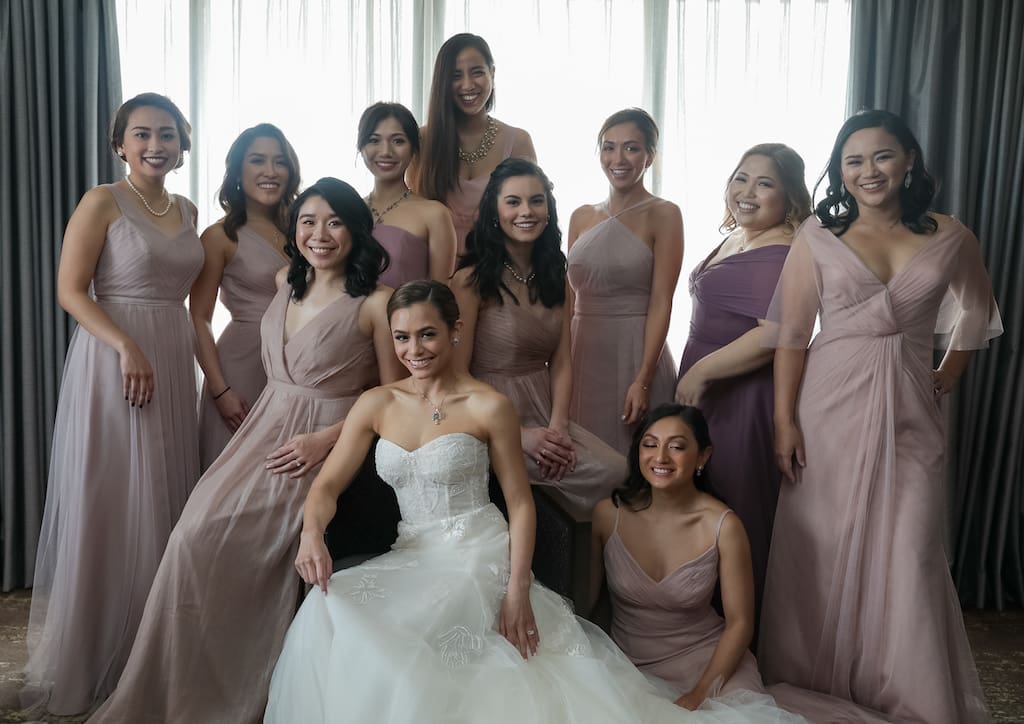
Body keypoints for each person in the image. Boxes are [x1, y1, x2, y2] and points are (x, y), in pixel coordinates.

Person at [264, 281, 805, 724]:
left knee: (436, 648)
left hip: (479, 552)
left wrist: (517, 586)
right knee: (330, 608)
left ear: (455, 332)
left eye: (428, 334)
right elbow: (327, 487)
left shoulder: (487, 405)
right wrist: (312, 532)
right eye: (402, 337)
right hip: (413, 552)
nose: (414, 350)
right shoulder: (376, 403)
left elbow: (521, 504)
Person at [87, 178, 403, 724]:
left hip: (328, 439)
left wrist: (325, 441)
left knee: (232, 546)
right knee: (190, 537)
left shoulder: (377, 303)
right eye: (308, 221)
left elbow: (394, 396)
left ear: (356, 230)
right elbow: (206, 316)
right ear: (294, 229)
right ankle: (175, 688)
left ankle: (231, 695)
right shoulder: (286, 281)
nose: (319, 234)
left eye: (334, 222)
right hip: (267, 423)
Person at [759, 109, 1001, 723]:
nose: (869, 171)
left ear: (910, 160)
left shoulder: (952, 236)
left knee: (911, 552)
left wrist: (948, 372)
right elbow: (790, 335)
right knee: (824, 544)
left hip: (911, 410)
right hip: (828, 405)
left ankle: (913, 697)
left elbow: (976, 312)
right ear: (840, 172)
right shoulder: (818, 236)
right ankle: (819, 680)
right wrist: (785, 421)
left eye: (882, 156)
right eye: (854, 161)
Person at [21, 93, 202, 717]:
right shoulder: (101, 200)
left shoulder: (188, 208)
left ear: (183, 144)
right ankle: (95, 651)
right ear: (119, 143)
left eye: (168, 134)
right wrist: (126, 345)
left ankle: (149, 650)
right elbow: (72, 291)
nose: (157, 144)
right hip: (114, 360)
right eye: (142, 133)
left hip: (173, 359)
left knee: (163, 502)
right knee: (113, 499)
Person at [593, 404, 895, 724]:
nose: (661, 457)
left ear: (702, 457)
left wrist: (699, 693)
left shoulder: (724, 525)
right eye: (650, 444)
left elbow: (740, 624)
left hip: (711, 664)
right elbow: (589, 604)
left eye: (677, 447)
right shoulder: (607, 515)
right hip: (629, 666)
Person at [674, 144, 812, 630]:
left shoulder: (782, 250)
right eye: (741, 178)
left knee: (736, 507)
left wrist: (701, 372)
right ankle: (700, 625)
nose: (746, 192)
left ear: (790, 197)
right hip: (709, 384)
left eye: (764, 183)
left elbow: (776, 333)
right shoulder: (742, 236)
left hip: (743, 395)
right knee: (700, 503)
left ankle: (741, 636)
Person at [451, 158, 625, 509]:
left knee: (617, 471)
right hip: (482, 416)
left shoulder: (556, 277)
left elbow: (561, 361)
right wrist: (518, 436)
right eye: (513, 202)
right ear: (494, 211)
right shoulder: (470, 282)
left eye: (536, 200)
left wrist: (558, 428)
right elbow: (455, 378)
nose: (526, 211)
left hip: (544, 412)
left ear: (548, 208)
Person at [568, 108, 683, 455]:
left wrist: (643, 379)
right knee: (583, 456)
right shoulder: (581, 215)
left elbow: (662, 300)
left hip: (636, 350)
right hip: (581, 350)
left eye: (631, 148)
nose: (618, 158)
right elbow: (566, 296)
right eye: (609, 147)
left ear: (649, 155)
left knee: (637, 461)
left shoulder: (664, 214)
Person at [192, 123, 299, 470]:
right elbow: (199, 318)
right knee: (230, 477)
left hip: (296, 364)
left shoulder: (304, 228)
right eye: (257, 160)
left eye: (279, 162)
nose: (270, 171)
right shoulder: (219, 236)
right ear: (238, 170)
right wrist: (220, 390)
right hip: (241, 368)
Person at [410, 33, 536, 255]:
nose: (467, 85)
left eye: (477, 72)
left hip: (498, 272)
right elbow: (412, 216)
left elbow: (530, 218)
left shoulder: (518, 141)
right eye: (456, 76)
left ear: (493, 73)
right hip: (433, 274)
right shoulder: (422, 140)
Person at [358, 102, 456, 286]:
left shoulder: (434, 214)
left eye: (398, 141)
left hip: (407, 314)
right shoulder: (349, 210)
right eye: (374, 140)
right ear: (361, 147)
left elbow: (441, 297)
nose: (386, 151)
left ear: (413, 149)